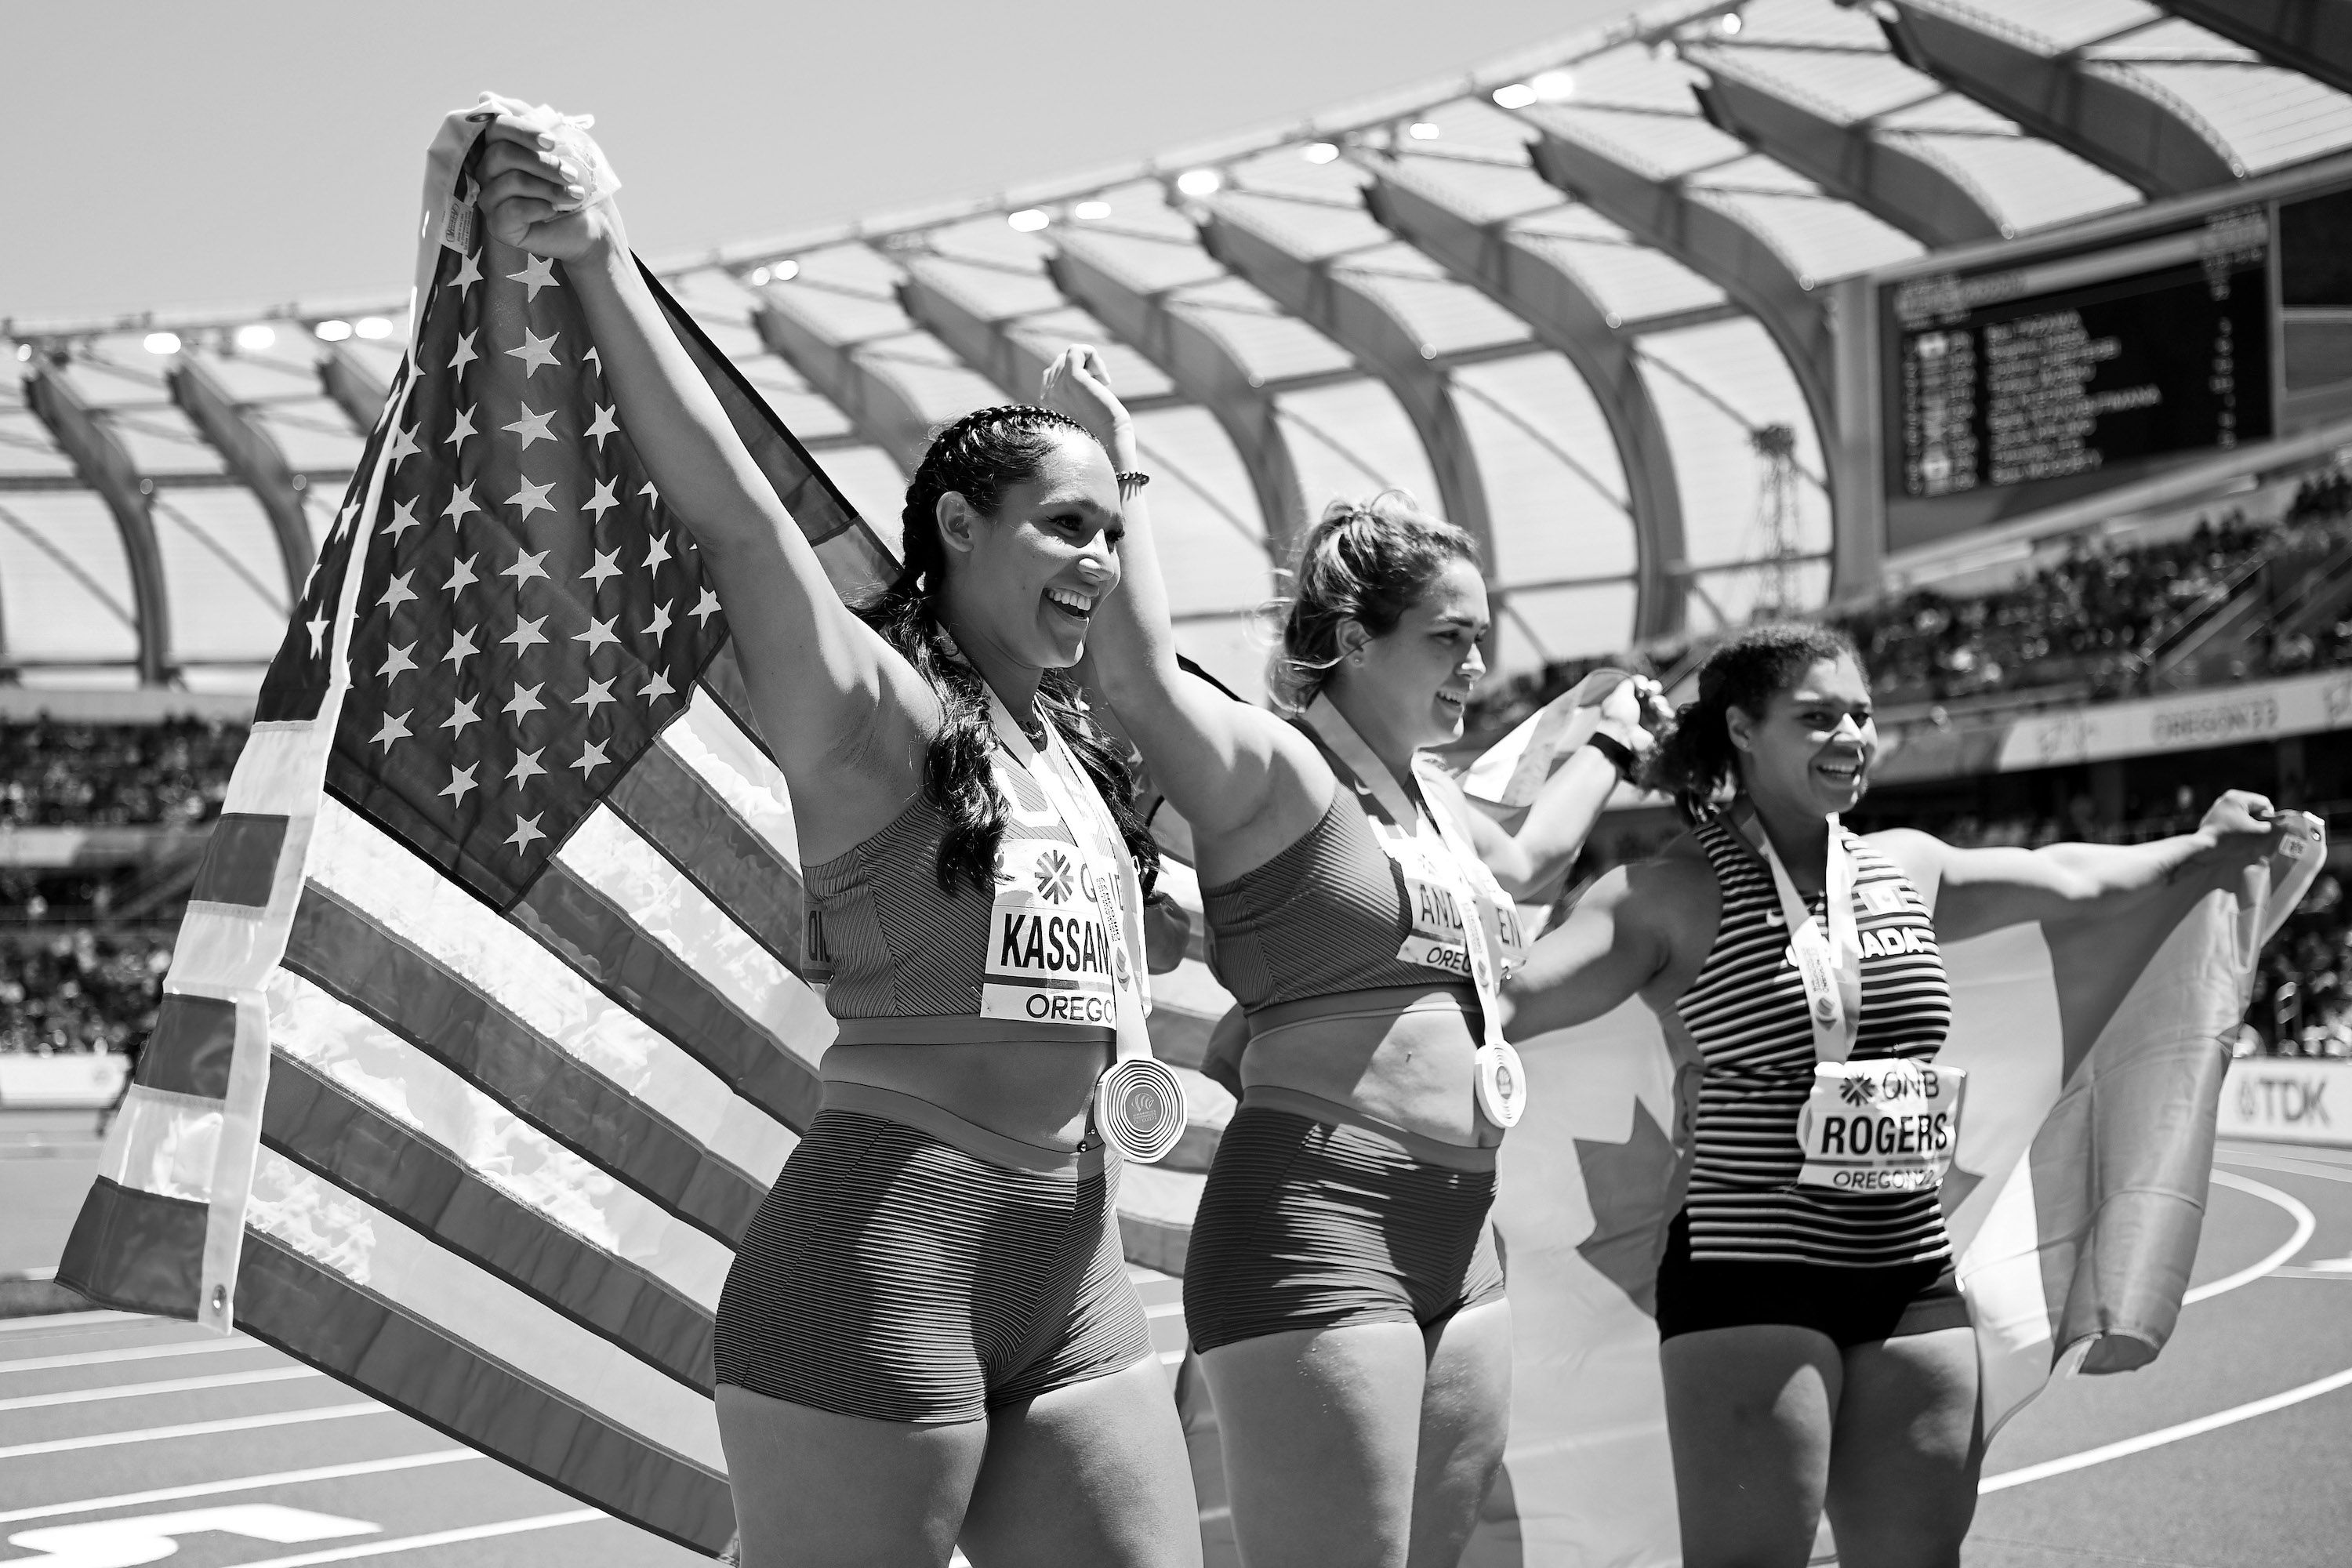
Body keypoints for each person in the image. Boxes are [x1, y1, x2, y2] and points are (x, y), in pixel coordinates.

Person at [473, 115, 1200, 1568]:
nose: (1102, 564)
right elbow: (741, 527)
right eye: (1069, 528)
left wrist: (1125, 470)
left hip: (1077, 1267)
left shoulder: (1068, 756)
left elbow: (1141, 726)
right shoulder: (873, 705)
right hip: (881, 1270)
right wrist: (603, 260)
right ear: (957, 528)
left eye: (1117, 533)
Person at [1042, 350, 1657, 1568]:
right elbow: (1137, 682)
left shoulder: (1436, 804)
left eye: (1484, 640)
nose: (1477, 669)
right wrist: (1123, 464)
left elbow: (1532, 859)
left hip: (1460, 1232)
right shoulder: (1278, 773)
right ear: (1356, 644)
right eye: (1448, 640)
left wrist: (1616, 748)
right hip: (1318, 1223)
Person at [1500, 622, 2289, 1568]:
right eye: (1818, 717)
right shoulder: (1661, 893)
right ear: (1743, 730)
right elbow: (1507, 1004)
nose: (1851, 737)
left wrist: (2199, 844)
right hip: (1749, 1274)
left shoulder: (1906, 864)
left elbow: (2074, 879)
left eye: (1862, 716)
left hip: (1910, 1269)